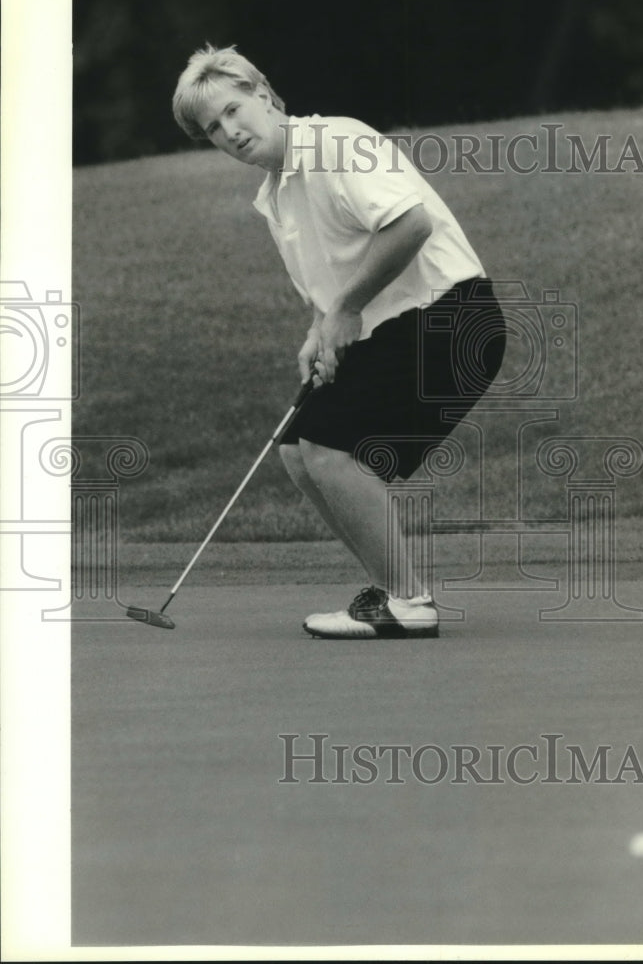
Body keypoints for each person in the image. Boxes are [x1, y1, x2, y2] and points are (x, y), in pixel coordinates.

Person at [172, 44, 505, 639]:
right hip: (404, 328)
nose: (228, 131)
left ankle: (409, 602)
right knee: (298, 450)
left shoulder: (335, 141)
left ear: (264, 94)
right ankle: (393, 590)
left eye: (232, 109)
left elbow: (410, 223)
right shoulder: (275, 193)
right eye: (211, 128)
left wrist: (345, 309)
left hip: (453, 320)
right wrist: (320, 327)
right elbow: (333, 282)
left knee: (328, 446)